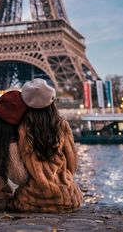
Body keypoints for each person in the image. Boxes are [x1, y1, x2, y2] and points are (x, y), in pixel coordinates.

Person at [9, 79, 83, 213]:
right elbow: (73, 164)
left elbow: (19, 170)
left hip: (33, 198)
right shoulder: (62, 125)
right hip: (66, 197)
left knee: (15, 199)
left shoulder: (23, 128)